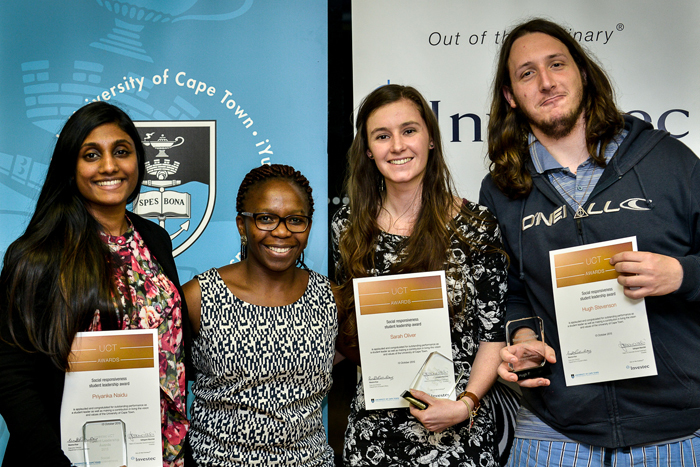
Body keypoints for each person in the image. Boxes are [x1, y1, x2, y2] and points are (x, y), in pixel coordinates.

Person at [479, 18, 700, 466]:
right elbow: (513, 293)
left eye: (556, 64)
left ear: (581, 71)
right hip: (553, 435)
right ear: (511, 97)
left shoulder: (667, 159)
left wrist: (681, 274)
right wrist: (523, 337)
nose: (545, 82)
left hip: (675, 434)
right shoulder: (503, 189)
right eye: (526, 74)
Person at [332, 84, 519, 467]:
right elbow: (347, 327)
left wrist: (466, 404)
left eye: (409, 130)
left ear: (430, 139)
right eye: (382, 136)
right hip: (373, 436)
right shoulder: (347, 228)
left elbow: (492, 333)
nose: (397, 145)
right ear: (368, 150)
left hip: (456, 432)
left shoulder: (476, 225)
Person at [0, 102, 189, 466]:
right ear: (70, 168)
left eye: (121, 151)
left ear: (138, 161)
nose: (109, 166)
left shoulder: (155, 239)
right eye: (91, 154)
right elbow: (9, 374)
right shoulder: (37, 254)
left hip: (161, 451)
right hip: (67, 457)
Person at [184, 164, 338, 466]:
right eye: (266, 218)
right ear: (242, 225)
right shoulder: (198, 296)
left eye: (296, 220)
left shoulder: (331, 297)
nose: (282, 231)